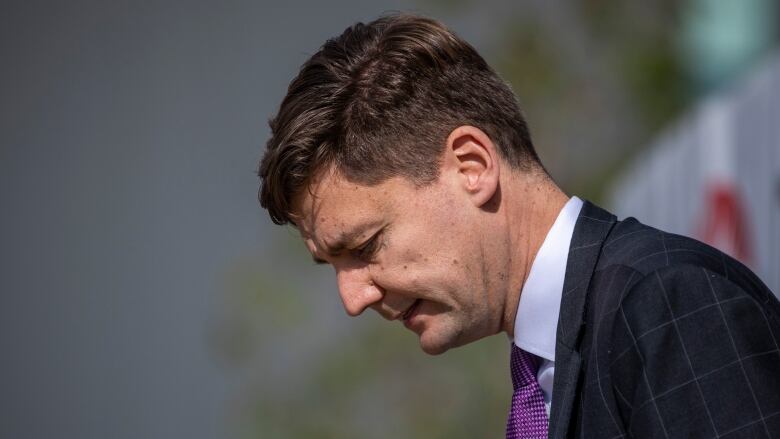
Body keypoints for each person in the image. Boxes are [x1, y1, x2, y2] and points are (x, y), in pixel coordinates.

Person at [257, 13, 780, 438]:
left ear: (472, 166)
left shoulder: (666, 302)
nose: (353, 298)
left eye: (365, 245)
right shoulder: (561, 357)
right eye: (331, 264)